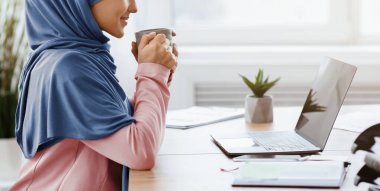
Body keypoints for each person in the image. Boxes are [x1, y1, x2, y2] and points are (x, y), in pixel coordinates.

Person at [10, 0, 178, 190]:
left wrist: (157, 73)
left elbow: (118, 121)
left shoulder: (67, 56)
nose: (134, 7)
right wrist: (152, 75)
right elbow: (140, 151)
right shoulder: (68, 68)